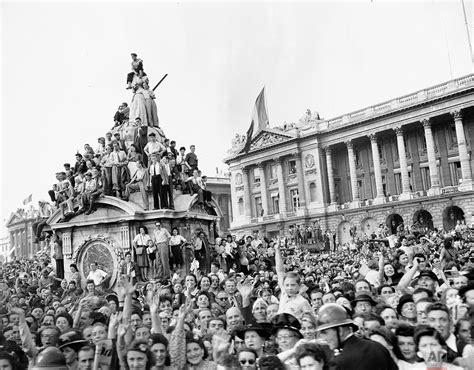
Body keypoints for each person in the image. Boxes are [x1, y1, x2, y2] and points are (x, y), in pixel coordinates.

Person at [316, 303, 398, 370]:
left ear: (340, 331)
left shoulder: (340, 362)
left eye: (325, 332)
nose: (323, 338)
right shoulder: (377, 346)